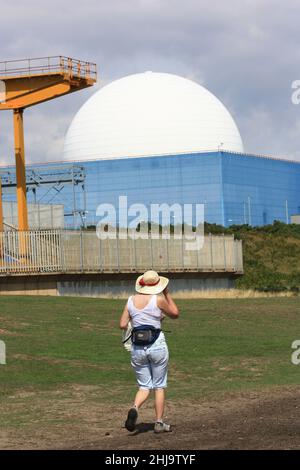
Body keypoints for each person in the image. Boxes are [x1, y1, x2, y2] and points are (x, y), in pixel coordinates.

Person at [119, 270, 179, 433]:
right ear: (157, 285)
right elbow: (175, 313)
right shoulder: (158, 299)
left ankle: (135, 408)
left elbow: (123, 324)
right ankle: (159, 423)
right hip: (157, 345)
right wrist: (167, 293)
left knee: (144, 386)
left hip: (138, 347)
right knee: (159, 386)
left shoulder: (131, 300)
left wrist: (137, 318)